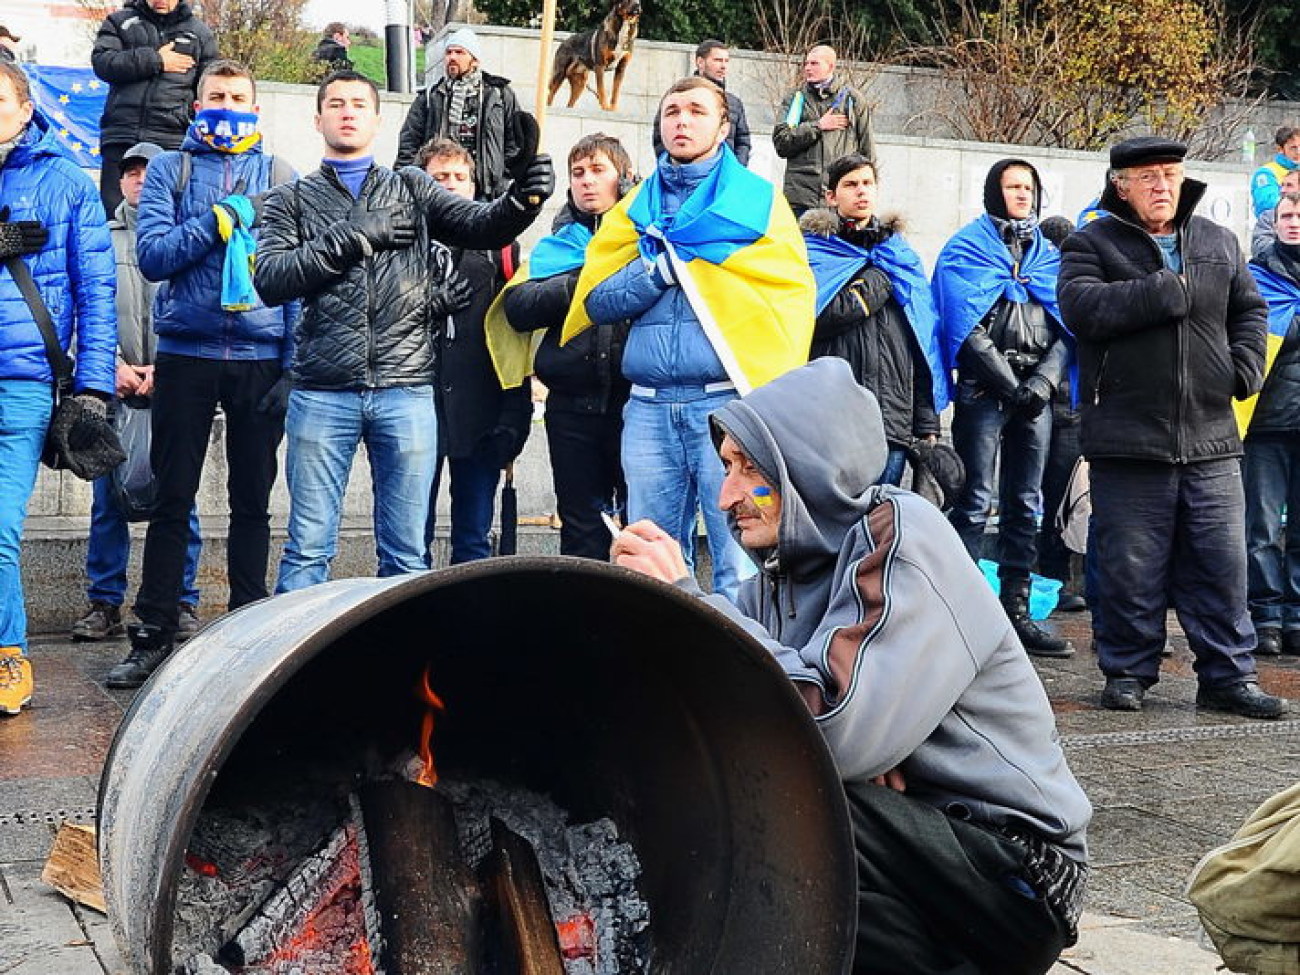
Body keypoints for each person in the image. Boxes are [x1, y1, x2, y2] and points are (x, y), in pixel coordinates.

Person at [611, 357, 1091, 975]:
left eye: (751, 470)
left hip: (1018, 867)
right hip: (916, 845)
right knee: (757, 798)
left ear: (807, 464)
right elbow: (786, 732)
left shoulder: (900, 535)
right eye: (726, 468)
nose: (728, 495)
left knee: (782, 800)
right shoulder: (773, 585)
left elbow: (829, 729)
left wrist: (685, 599)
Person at [254, 70, 553, 591]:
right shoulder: (291, 199)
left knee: (407, 554)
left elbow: (481, 225)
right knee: (307, 547)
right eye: (336, 103)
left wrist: (522, 200)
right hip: (323, 391)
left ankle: (401, 666)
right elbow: (271, 280)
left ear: (377, 118)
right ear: (318, 117)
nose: (347, 112)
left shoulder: (413, 186)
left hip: (406, 388)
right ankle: (297, 668)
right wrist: (351, 236)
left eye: (358, 104)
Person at [1058, 135, 1285, 719]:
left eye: (1171, 174)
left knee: (1222, 564)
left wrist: (1243, 368)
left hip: (1211, 435)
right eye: (1149, 176)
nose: (1162, 185)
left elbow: (1250, 309)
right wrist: (1163, 290)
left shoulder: (1217, 240)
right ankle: (1128, 671)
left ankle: (1229, 676)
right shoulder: (1091, 242)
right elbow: (1082, 309)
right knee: (1132, 566)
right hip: (1128, 439)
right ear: (1121, 184)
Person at [574, 76, 816, 600]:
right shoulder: (633, 208)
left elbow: (791, 299)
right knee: (648, 559)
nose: (682, 121)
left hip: (728, 408)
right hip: (647, 410)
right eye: (671, 112)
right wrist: (660, 271)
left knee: (743, 557)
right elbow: (596, 301)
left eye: (696, 111)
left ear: (724, 126)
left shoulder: (758, 202)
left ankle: (744, 672)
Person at [108, 60, 298, 690]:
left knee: (253, 501)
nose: (226, 105)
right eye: (215, 96)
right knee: (172, 496)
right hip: (186, 352)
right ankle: (153, 631)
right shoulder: (168, 169)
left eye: (238, 97)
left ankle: (249, 625)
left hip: (259, 356)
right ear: (195, 106)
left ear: (256, 107)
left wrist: (292, 363)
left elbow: (298, 277)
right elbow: (156, 256)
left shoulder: (281, 175)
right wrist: (221, 219)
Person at [0, 62, 117, 714]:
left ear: (24, 109)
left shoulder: (66, 181)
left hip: (21, 380)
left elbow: (96, 291)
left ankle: (8, 656)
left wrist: (92, 388)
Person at [933, 159, 1074, 657]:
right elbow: (960, 323)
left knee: (1027, 503)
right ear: (995, 191)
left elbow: (1067, 325)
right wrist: (1011, 383)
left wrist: (1041, 381)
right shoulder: (967, 249)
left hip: (1035, 394)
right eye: (1013, 186)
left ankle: (1016, 610)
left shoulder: (1050, 255)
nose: (1022, 195)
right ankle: (960, 612)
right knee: (973, 500)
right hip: (985, 393)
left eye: (1028, 188)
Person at [70, 141, 204, 645]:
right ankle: (103, 601)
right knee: (107, 501)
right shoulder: (99, 239)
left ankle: (182, 600)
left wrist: (171, 368)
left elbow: (200, 305)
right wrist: (113, 367)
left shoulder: (182, 238)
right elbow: (80, 311)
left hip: (176, 383)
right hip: (114, 387)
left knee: (181, 498)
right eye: (130, 172)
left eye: (149, 171)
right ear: (121, 181)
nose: (140, 180)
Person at [495, 132, 636, 559]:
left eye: (598, 170)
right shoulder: (558, 247)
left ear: (625, 179)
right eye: (578, 173)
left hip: (634, 407)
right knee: (579, 529)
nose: (587, 181)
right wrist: (588, 279)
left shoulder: (645, 240)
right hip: (572, 409)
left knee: (644, 524)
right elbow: (520, 306)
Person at [416, 137, 532, 564]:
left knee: (473, 538)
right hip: (417, 406)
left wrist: (513, 414)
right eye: (439, 177)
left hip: (480, 409)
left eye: (459, 177)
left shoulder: (500, 246)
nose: (450, 185)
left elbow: (513, 333)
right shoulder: (402, 241)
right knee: (411, 536)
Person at [799, 153, 946, 485]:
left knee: (880, 523)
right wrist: (878, 280)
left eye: (867, 183)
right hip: (829, 418)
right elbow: (816, 318)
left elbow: (923, 340)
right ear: (831, 196)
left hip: (890, 420)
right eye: (851, 185)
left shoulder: (900, 257)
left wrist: (927, 422)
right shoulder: (813, 253)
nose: (861, 191)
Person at [91, 0, 218, 215]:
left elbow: (209, 87)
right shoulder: (119, 21)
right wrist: (156, 60)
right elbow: (103, 62)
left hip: (171, 141)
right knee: (115, 217)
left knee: (167, 216)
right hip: (121, 136)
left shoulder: (201, 34)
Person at [1243, 191, 1300, 657]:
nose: (1294, 222)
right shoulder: (1256, 277)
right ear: (1273, 222)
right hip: (1267, 422)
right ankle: (1265, 616)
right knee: (1260, 528)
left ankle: (1296, 617)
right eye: (1286, 215)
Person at [394, 27, 523, 199]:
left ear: (474, 60)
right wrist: (408, 184)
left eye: (460, 52)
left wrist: (501, 177)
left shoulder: (499, 95)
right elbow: (408, 144)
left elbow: (516, 141)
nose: (452, 57)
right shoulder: (430, 96)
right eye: (449, 52)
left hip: (485, 192)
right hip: (437, 188)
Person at [1034, 214, 1087, 613]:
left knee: (1055, 497)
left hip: (1063, 404)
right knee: (1055, 497)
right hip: (1056, 403)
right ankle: (1055, 577)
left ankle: (1054, 577)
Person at [773, 44, 875, 216]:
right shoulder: (796, 99)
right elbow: (782, 142)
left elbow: (867, 150)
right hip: (801, 198)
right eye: (806, 64)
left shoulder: (853, 100)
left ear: (831, 66)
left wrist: (865, 190)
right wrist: (818, 126)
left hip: (840, 199)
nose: (807, 68)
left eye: (814, 64)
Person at [651, 40, 751, 166]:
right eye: (718, 60)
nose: (723, 66)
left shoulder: (734, 103)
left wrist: (736, 170)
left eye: (726, 61)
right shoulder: (677, 96)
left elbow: (743, 142)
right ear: (700, 62)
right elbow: (659, 137)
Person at [1251, 125, 1300, 218]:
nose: (1298, 152)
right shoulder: (1266, 173)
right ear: (1280, 149)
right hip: (1272, 228)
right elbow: (1267, 203)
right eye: (1293, 148)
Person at [1253, 168, 1300, 259]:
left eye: (1289, 186)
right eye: (1282, 185)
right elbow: (1260, 247)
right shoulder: (1268, 217)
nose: (1282, 190)